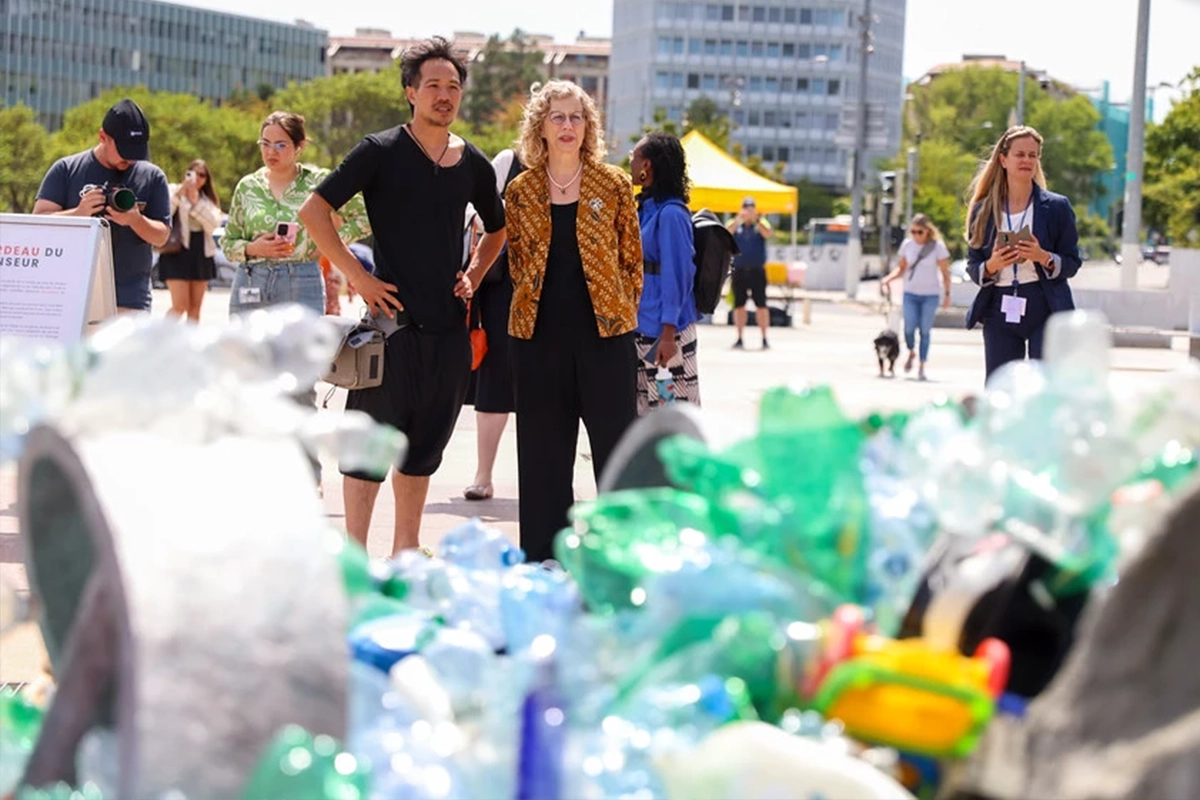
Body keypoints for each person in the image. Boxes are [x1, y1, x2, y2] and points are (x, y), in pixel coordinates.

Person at [299, 37, 507, 555]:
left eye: (453, 87)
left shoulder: (473, 163)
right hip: (388, 334)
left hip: (448, 338)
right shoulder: (380, 151)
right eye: (433, 85)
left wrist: (474, 274)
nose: (444, 95)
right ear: (410, 92)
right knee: (366, 454)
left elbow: (498, 231)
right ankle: (354, 558)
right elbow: (314, 212)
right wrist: (358, 277)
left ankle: (405, 555)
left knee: (422, 456)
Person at [504, 79, 643, 562]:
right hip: (537, 340)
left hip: (605, 338)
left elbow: (632, 260)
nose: (567, 126)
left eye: (576, 117)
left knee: (616, 453)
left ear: (589, 127)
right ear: (539, 127)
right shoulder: (521, 190)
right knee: (543, 455)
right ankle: (544, 557)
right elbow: (517, 261)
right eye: (557, 117)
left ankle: (618, 557)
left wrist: (620, 312)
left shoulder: (614, 183)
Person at [221, 111, 370, 321]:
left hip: (302, 280)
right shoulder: (248, 186)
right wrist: (253, 248)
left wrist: (327, 244)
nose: (271, 151)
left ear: (299, 147)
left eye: (281, 145)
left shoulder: (319, 181)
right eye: (265, 143)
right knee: (247, 352)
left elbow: (364, 218)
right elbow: (227, 243)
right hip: (251, 279)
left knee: (300, 352)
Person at [964, 125, 1081, 381]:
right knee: (999, 388)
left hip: (1045, 304)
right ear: (1003, 160)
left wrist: (1043, 257)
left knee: (1046, 387)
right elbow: (973, 266)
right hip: (999, 306)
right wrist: (993, 264)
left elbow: (1072, 262)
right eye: (1020, 154)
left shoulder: (1057, 207)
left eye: (1033, 155)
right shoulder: (983, 210)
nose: (1027, 160)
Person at [33, 98, 171, 313]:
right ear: (103, 137)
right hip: (71, 294)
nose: (132, 160)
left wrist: (135, 220)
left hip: (131, 298)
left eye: (137, 151)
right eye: (125, 150)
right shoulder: (66, 169)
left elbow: (161, 237)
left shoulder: (152, 176)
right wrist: (79, 213)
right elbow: (38, 224)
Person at [463, 146, 526, 502]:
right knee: (495, 375)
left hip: (553, 286)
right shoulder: (509, 161)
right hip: (502, 285)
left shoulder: (578, 166)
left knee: (549, 383)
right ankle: (483, 475)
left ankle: (542, 478)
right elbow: (478, 213)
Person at [629, 131, 700, 414]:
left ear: (648, 165)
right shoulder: (646, 209)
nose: (631, 164)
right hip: (643, 327)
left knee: (672, 411)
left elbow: (678, 275)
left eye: (634, 158)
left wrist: (668, 333)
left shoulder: (671, 214)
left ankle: (678, 461)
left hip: (666, 334)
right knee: (647, 413)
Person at [881, 213, 951, 381]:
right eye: (913, 232)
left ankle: (921, 365)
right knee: (909, 328)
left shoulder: (937, 247)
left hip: (930, 295)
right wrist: (888, 279)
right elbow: (902, 269)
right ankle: (912, 351)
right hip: (910, 293)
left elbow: (945, 273)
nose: (916, 235)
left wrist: (947, 294)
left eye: (919, 232)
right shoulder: (907, 245)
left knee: (925, 331)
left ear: (927, 231)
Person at [159, 159, 222, 322]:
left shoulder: (207, 200)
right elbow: (165, 212)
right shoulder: (173, 191)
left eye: (202, 175)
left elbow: (213, 224)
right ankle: (161, 340)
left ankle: (191, 346)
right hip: (176, 252)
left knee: (195, 309)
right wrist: (182, 192)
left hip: (201, 252)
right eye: (194, 173)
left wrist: (195, 202)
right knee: (180, 305)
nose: (198, 178)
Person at [726, 196, 772, 349]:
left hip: (757, 270)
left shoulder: (761, 223)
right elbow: (726, 233)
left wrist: (756, 220)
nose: (748, 211)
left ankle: (764, 338)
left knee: (761, 305)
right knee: (739, 306)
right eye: (746, 208)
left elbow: (767, 234)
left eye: (751, 208)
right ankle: (739, 337)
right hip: (739, 270)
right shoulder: (735, 223)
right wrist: (739, 219)